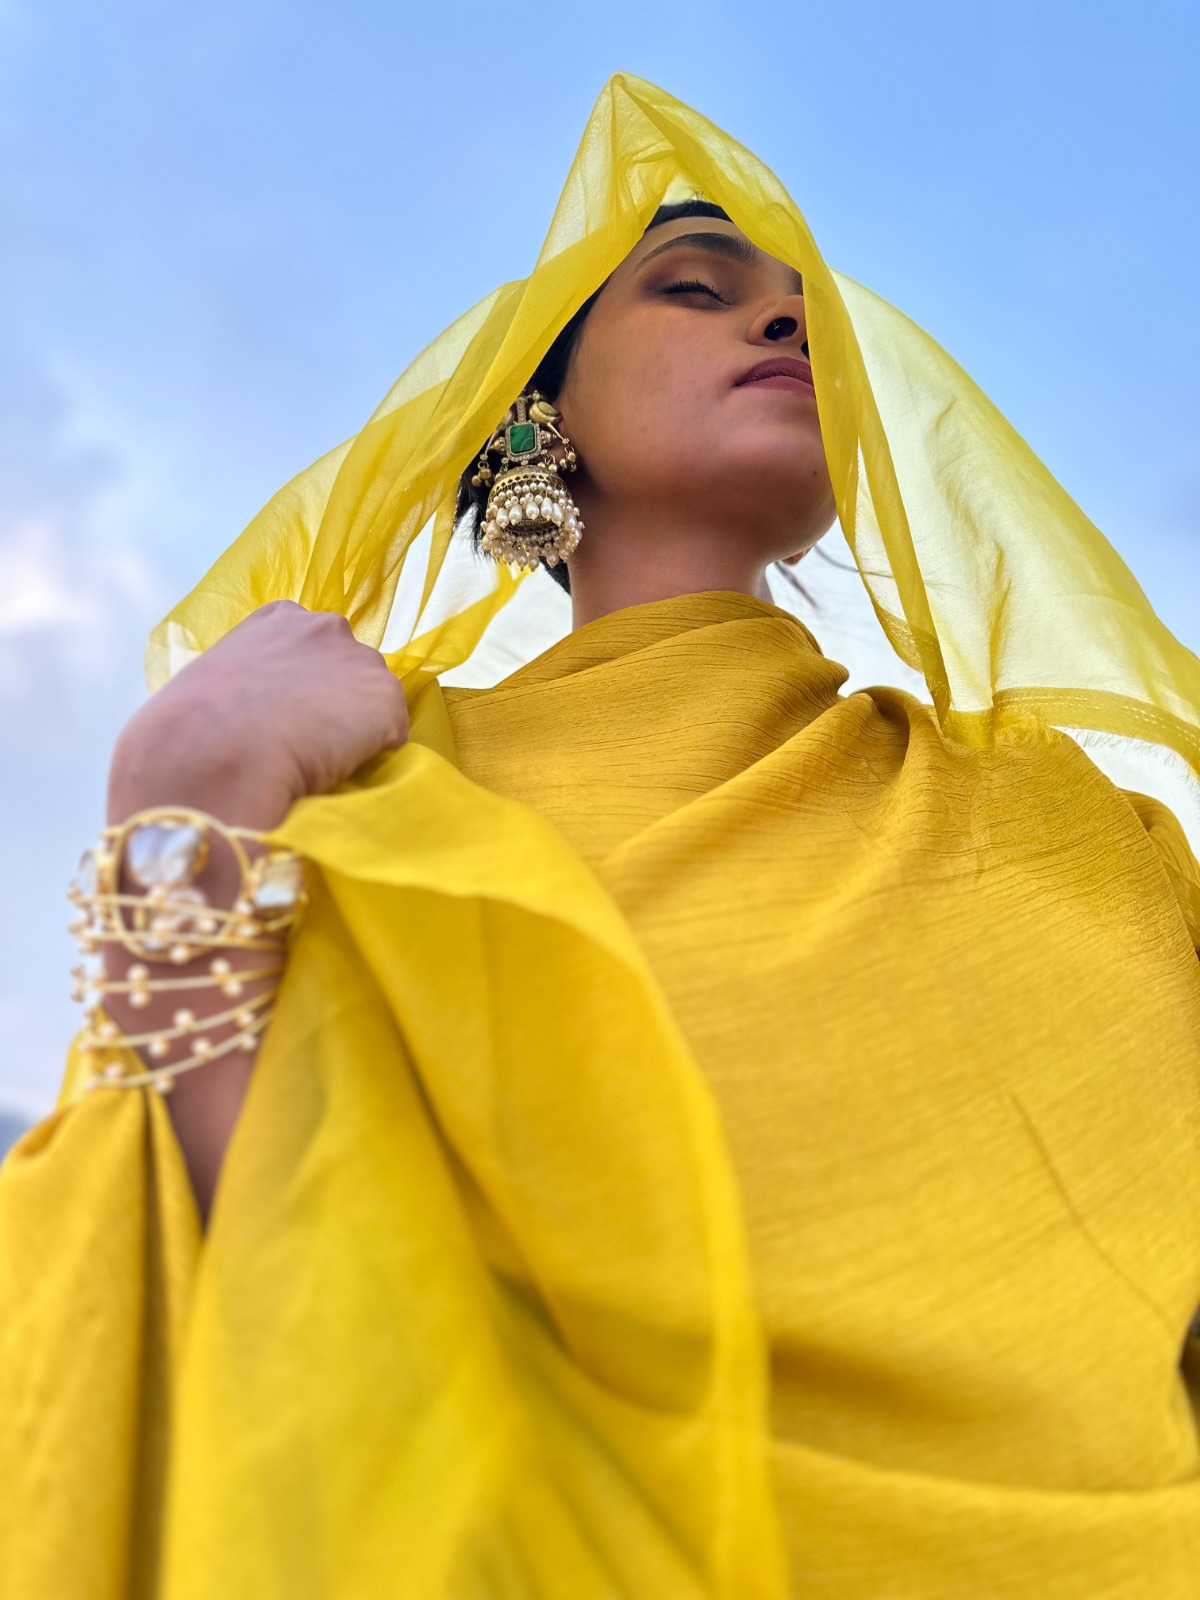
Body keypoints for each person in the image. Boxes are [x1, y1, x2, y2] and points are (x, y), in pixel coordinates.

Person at [3, 74, 1200, 1600]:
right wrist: (184, 802)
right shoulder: (382, 796)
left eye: (808, 310)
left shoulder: (1063, 824)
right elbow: (222, 1278)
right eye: (696, 288)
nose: (790, 321)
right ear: (535, 419)